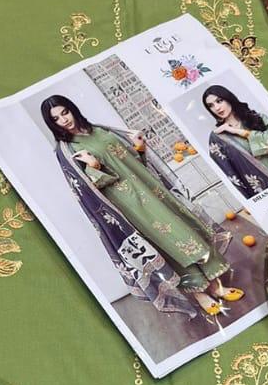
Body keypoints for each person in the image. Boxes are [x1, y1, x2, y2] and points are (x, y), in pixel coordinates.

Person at [41, 95, 243, 317]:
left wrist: (139, 147)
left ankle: (214, 286)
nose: (64, 120)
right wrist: (94, 166)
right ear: (52, 124)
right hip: (129, 203)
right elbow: (88, 192)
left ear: (72, 109)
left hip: (151, 189)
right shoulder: (68, 151)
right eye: (56, 118)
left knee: (185, 231)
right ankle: (200, 294)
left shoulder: (100, 130)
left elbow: (134, 163)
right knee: (170, 242)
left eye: (65, 112)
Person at [202, 85, 268, 186]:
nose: (217, 108)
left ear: (228, 98)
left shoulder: (257, 118)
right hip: (264, 187)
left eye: (219, 101)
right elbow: (230, 173)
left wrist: (238, 132)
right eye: (211, 105)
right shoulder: (220, 138)